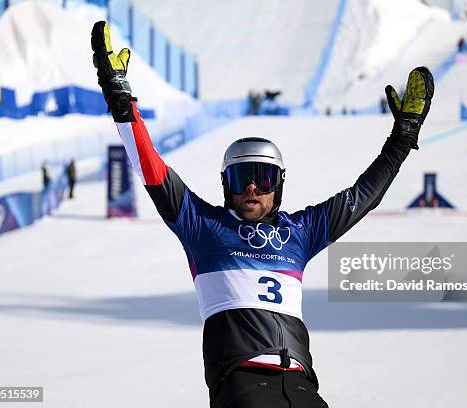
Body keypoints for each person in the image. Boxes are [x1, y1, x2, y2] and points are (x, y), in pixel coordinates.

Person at [91, 21, 434, 408]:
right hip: (242, 383)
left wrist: (402, 139)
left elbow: (362, 197)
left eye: (263, 176)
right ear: (226, 184)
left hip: (302, 386)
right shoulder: (203, 227)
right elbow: (151, 169)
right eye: (241, 178)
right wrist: (122, 102)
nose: (252, 187)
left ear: (279, 183)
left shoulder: (301, 232)